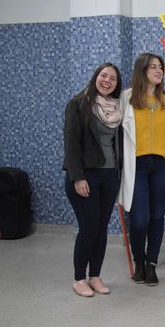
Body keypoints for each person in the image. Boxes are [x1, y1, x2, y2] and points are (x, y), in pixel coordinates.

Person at [119, 53, 165, 287]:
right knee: (139, 219)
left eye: (160, 67)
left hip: (163, 164)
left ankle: (151, 265)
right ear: (142, 70)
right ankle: (139, 260)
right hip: (136, 165)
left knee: (157, 216)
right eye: (153, 67)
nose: (159, 71)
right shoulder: (127, 97)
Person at [63, 63, 123, 297]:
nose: (107, 80)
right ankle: (79, 278)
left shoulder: (117, 108)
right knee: (89, 227)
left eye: (113, 78)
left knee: (101, 228)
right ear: (96, 77)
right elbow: (71, 144)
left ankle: (95, 276)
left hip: (110, 175)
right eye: (103, 75)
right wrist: (77, 178)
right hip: (86, 176)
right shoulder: (78, 104)